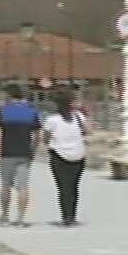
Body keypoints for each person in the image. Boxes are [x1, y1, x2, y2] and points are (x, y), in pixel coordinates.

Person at [0, 84, 43, 227]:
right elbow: (37, 135)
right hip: (24, 153)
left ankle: (4, 215)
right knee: (23, 187)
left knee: (5, 185)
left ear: (9, 96)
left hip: (7, 153)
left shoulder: (3, 111)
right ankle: (20, 219)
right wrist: (33, 150)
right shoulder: (31, 112)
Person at [43, 93, 91, 226]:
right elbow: (88, 130)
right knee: (74, 187)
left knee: (63, 187)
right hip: (78, 155)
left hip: (59, 155)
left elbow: (46, 138)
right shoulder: (79, 117)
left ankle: (66, 216)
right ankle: (72, 215)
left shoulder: (52, 120)